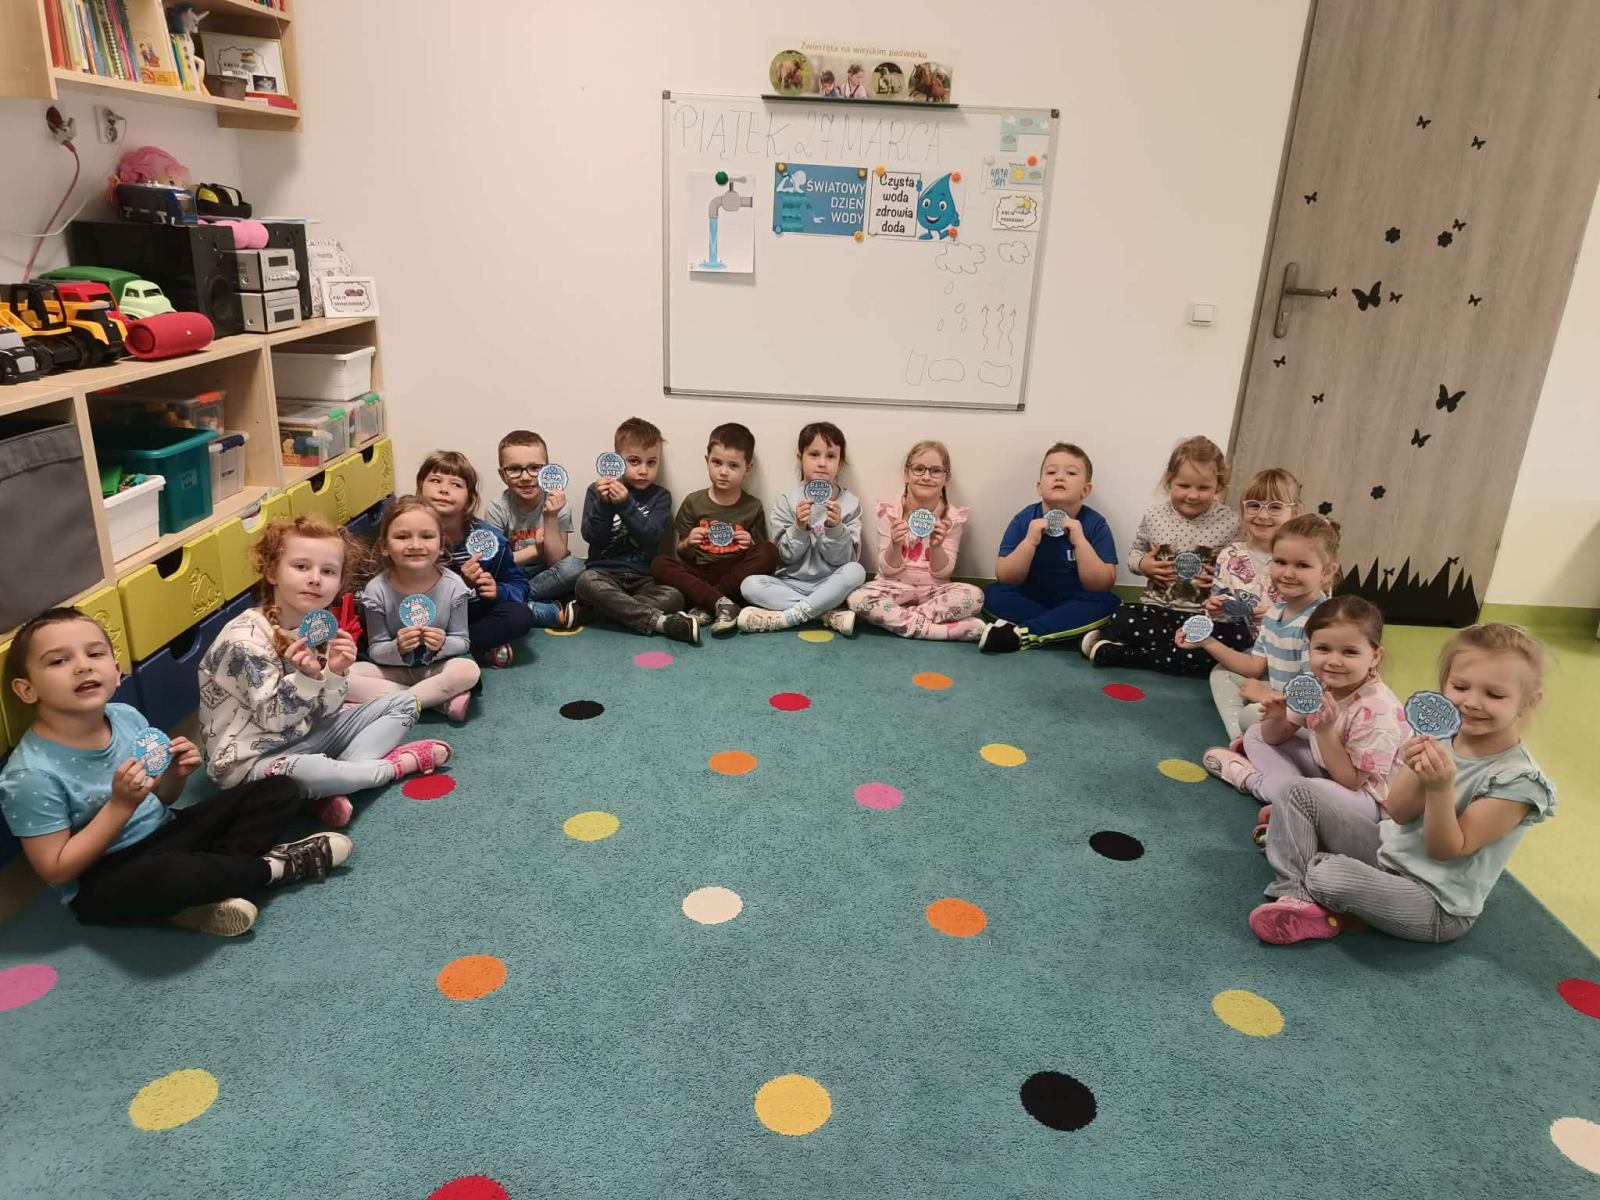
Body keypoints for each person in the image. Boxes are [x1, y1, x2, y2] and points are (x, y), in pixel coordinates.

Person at [0, 608, 350, 937]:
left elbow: (161, 800)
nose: (82, 666)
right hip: (105, 876)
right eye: (58, 661)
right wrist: (120, 806)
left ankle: (204, 891)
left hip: (166, 831)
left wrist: (173, 777)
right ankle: (275, 868)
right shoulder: (30, 774)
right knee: (171, 875)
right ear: (26, 689)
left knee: (277, 790)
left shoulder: (125, 717)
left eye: (94, 654)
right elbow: (56, 870)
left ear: (116, 670)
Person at [1248, 622, 1555, 945]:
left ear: (1529, 702)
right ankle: (1295, 895)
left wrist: (1439, 789)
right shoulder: (1444, 734)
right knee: (1296, 791)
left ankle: (1298, 853)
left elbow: (1446, 850)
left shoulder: (1519, 780)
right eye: (1460, 686)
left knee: (1328, 873)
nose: (1472, 702)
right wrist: (1413, 767)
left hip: (1434, 902)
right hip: (1389, 853)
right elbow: (1398, 811)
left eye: (1494, 694)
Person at [198, 514, 450, 830]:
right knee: (311, 771)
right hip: (248, 763)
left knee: (406, 703)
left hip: (304, 736)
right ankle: (391, 768)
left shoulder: (316, 628)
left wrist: (335, 673)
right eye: (301, 567)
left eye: (328, 571)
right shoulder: (243, 642)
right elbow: (273, 720)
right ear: (272, 572)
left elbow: (326, 712)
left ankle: (333, 786)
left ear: (339, 583)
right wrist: (307, 679)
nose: (315, 579)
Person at [1203, 596, 1409, 850]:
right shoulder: (1318, 683)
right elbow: (1274, 737)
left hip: (1368, 800)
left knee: (1309, 789)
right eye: (1323, 649)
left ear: (1375, 656)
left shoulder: (1377, 711)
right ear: (1309, 648)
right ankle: (1293, 804)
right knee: (1255, 734)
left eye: (1350, 652)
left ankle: (1252, 781)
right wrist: (1279, 717)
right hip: (1327, 771)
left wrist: (1324, 732)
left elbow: (1352, 782)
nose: (1334, 661)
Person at [1082, 435, 1245, 673]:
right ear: (1170, 482)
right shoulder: (1154, 516)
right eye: (1184, 486)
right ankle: (1179, 653)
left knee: (1238, 638)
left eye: (1203, 488)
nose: (1192, 495)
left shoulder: (1231, 522)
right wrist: (1143, 565)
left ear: (1218, 487)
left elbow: (1242, 567)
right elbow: (1135, 553)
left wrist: (1223, 580)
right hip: (1157, 610)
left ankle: (1122, 654)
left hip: (1203, 616)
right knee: (1121, 617)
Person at [1195, 513, 1339, 777]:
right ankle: (1242, 742)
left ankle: (1257, 746)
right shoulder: (1275, 614)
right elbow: (1254, 666)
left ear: (1327, 572)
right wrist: (1206, 640)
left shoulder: (1322, 623)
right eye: (1280, 562)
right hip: (1282, 701)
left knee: (1252, 714)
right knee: (1222, 674)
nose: (1287, 573)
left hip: (1313, 717)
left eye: (1302, 565)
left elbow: (1318, 695)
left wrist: (1265, 697)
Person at [348, 496, 481, 721]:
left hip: (437, 667)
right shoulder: (376, 590)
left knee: (468, 671)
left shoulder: (454, 586)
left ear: (441, 545)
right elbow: (376, 649)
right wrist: (398, 647)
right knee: (345, 675)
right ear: (384, 546)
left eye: (427, 536)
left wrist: (442, 643)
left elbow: (462, 641)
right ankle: (435, 700)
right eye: (402, 537)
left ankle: (398, 702)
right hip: (393, 670)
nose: (416, 545)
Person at [981, 442, 1118, 653]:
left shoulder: (1095, 523)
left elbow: (1102, 585)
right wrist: (1029, 541)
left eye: (1071, 473)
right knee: (992, 594)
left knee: (1109, 602)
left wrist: (1080, 541)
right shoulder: (1024, 519)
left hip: (1075, 600)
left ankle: (1022, 633)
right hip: (1030, 598)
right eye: (1051, 472)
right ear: (1039, 487)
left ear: (1086, 489)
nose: (1059, 477)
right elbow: (1006, 577)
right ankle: (1064, 629)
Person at [1196, 468, 1301, 737]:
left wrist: (1279, 615)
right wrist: (1216, 608)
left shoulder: (1303, 556)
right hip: (1254, 652)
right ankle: (1239, 739)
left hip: (1296, 660)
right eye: (1254, 505)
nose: (1262, 515)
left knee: (1266, 707)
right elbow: (1223, 614)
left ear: (1295, 511)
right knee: (1221, 675)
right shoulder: (1230, 555)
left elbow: (1322, 618)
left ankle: (1273, 712)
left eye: (1275, 507)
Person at [575, 417, 699, 645]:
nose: (643, 471)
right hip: (604, 574)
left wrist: (625, 505)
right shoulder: (596, 491)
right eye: (634, 461)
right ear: (617, 459)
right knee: (585, 581)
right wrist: (604, 504)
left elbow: (652, 536)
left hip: (643, 579)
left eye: (651, 462)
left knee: (675, 597)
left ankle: (596, 612)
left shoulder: (660, 496)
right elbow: (592, 537)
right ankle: (660, 622)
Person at [649, 422, 778, 637]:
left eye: (733, 466)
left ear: (747, 468)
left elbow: (759, 556)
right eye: (717, 463)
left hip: (734, 575)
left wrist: (750, 544)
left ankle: (710, 603)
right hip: (700, 573)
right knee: (659, 563)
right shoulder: (693, 502)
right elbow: (682, 554)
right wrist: (688, 543)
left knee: (769, 551)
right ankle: (722, 603)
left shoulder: (753, 506)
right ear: (707, 460)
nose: (723, 472)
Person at [848, 440, 985, 641]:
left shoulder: (952, 518)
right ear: (907, 474)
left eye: (935, 471)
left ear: (946, 477)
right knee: (857, 598)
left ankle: (903, 620)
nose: (926, 477)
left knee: (974, 596)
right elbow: (886, 570)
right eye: (919, 469)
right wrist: (895, 544)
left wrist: (936, 547)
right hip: (892, 587)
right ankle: (939, 631)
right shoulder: (890, 512)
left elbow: (943, 574)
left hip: (934, 592)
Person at [738, 421, 866, 635]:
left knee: (857, 571)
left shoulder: (850, 503)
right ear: (800, 458)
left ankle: (787, 617)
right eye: (814, 454)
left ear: (840, 462)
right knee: (749, 585)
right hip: (791, 583)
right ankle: (824, 613)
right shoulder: (787, 501)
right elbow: (784, 558)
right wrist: (799, 527)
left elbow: (845, 561)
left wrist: (835, 528)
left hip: (831, 583)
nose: (822, 463)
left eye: (831, 456)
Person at [416, 450, 534, 668]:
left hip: (473, 615)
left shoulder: (490, 539)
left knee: (520, 616)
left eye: (456, 484)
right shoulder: (409, 537)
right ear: (420, 486)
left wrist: (498, 591)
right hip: (428, 614)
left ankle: (447, 650)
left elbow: (520, 586)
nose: (444, 489)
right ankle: (468, 651)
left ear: (469, 498)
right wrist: (460, 584)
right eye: (435, 481)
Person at [483, 429, 582, 629]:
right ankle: (545, 609)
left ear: (547, 471)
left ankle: (515, 601)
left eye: (535, 468)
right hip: (511, 573)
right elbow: (497, 563)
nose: (526, 477)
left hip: (546, 573)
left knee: (575, 567)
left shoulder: (559, 504)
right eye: (514, 469)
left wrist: (550, 516)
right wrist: (536, 550)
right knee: (486, 582)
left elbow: (557, 560)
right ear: (502, 475)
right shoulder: (497, 507)